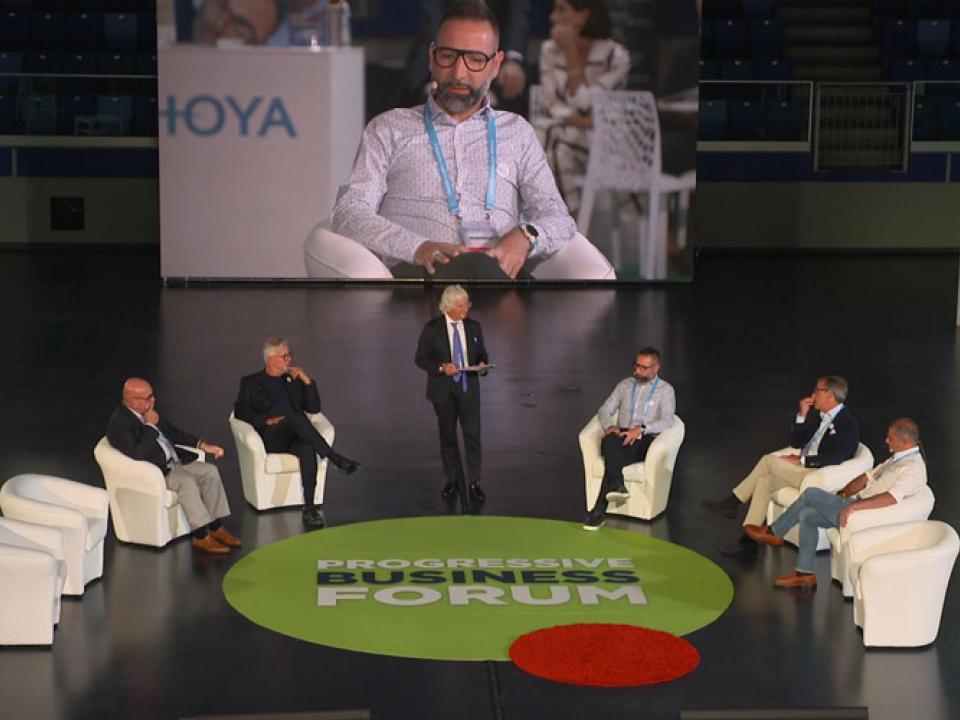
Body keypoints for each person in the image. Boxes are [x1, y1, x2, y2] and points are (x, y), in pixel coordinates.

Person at [332, 0, 580, 280]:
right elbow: (349, 211)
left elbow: (558, 217)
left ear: (496, 64)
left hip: (497, 282)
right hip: (417, 282)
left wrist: (527, 236)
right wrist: (418, 247)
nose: (459, 73)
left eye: (475, 59)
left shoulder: (517, 133)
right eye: (448, 56)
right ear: (432, 57)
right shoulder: (389, 129)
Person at [747, 418, 927, 590]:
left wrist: (853, 506)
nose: (886, 440)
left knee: (810, 494)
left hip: (864, 515)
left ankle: (774, 532)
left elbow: (891, 498)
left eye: (891, 438)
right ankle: (804, 574)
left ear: (904, 442)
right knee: (807, 516)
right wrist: (843, 493)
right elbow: (866, 478)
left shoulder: (912, 468)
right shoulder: (897, 458)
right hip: (854, 504)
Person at [703, 375, 860, 554]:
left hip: (816, 474)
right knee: (765, 482)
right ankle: (748, 542)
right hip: (803, 468)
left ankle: (733, 502)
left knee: (768, 461)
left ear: (829, 395)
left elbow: (838, 456)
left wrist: (803, 461)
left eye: (817, 390)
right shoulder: (821, 417)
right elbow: (796, 442)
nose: (812, 395)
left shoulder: (848, 423)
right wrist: (802, 415)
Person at [234, 337, 359, 528]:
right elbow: (240, 412)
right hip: (271, 436)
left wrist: (307, 380)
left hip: (295, 436)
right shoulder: (251, 382)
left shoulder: (293, 380)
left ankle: (309, 507)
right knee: (292, 417)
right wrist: (265, 420)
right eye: (284, 356)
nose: (289, 359)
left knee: (307, 447)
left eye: (289, 355)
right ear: (271, 359)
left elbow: (314, 409)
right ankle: (334, 458)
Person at [107, 377, 241, 555]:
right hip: (157, 471)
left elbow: (172, 432)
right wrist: (150, 426)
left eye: (152, 395)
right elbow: (138, 453)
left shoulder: (147, 411)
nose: (153, 400)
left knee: (210, 471)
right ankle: (201, 536)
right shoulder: (120, 424)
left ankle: (216, 527)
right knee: (186, 481)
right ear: (132, 401)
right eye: (148, 398)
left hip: (174, 460)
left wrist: (202, 444)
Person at [535, 0, 630, 215]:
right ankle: (572, 218)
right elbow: (552, 103)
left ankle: (563, 219)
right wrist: (586, 122)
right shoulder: (549, 50)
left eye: (561, 10)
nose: (552, 17)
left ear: (583, 15)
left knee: (546, 135)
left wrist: (571, 55)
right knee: (556, 144)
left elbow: (586, 104)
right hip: (564, 137)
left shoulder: (616, 57)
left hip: (605, 145)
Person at [583, 347, 676, 531]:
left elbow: (667, 420)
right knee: (610, 440)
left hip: (644, 438)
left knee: (613, 458)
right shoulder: (624, 385)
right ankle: (616, 486)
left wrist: (641, 429)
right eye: (636, 366)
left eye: (643, 368)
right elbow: (604, 410)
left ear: (656, 368)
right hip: (620, 435)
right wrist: (610, 426)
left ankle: (601, 506)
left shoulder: (666, 390)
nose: (637, 371)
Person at [414, 285, 489, 510]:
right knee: (448, 437)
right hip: (443, 391)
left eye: (467, 304)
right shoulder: (432, 329)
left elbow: (482, 353)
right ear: (447, 307)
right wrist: (440, 367)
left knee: (472, 435)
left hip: (468, 389)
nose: (465, 309)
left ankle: (474, 481)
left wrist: (483, 365)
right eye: (460, 305)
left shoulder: (474, 327)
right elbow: (420, 358)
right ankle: (452, 479)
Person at [396, 0, 531, 111]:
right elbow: (432, 20)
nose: (459, 74)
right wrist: (441, 62)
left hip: (498, 68)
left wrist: (513, 59)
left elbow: (517, 13)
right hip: (428, 68)